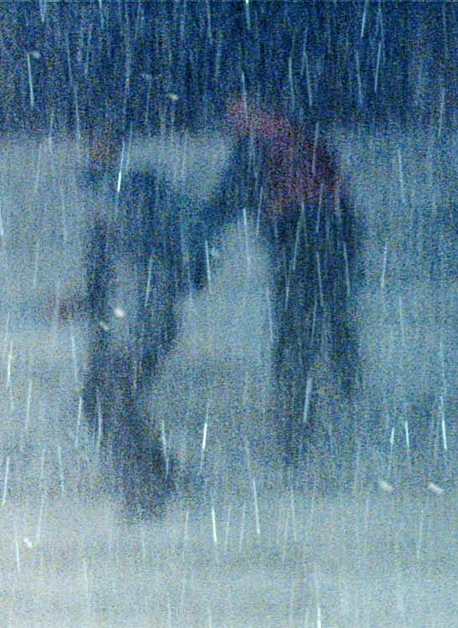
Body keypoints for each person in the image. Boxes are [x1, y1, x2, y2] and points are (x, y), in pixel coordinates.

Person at [200, 96, 361, 463]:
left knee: (294, 334)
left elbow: (230, 197)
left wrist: (198, 232)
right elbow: (337, 187)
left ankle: (295, 433)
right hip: (337, 229)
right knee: (335, 318)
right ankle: (344, 392)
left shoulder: (256, 143)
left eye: (236, 114)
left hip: (300, 233)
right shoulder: (301, 135)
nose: (231, 123)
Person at [76, 133, 207, 520]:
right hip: (127, 321)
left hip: (137, 321)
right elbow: (108, 266)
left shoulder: (127, 189)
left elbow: (131, 261)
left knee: (113, 403)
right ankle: (159, 477)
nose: (90, 144)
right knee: (103, 403)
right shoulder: (104, 188)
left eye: (98, 137)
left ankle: (148, 491)